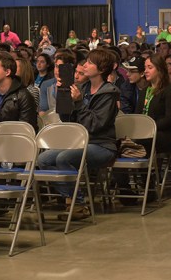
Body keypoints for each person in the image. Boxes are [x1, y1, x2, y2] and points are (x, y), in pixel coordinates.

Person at [37, 49, 121, 216]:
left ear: (102, 69)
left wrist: (79, 103)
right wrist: (63, 96)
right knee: (43, 159)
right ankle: (72, 198)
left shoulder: (109, 93)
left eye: (90, 63)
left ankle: (77, 204)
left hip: (102, 144)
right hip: (79, 142)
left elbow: (95, 125)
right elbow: (67, 120)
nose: (84, 66)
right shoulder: (82, 88)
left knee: (63, 158)